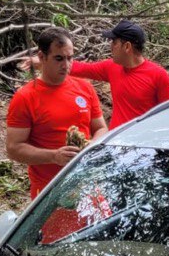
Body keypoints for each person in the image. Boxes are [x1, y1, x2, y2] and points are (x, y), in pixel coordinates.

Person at [6, 26, 107, 197]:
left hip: (87, 183)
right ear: (41, 57)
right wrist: (54, 156)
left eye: (70, 58)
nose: (66, 65)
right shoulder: (25, 97)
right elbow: (13, 148)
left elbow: (101, 128)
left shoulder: (85, 88)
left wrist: (92, 146)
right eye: (58, 58)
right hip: (49, 191)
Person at [68, 20, 169, 128]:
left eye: (114, 42)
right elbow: (81, 69)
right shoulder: (111, 67)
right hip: (115, 140)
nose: (111, 47)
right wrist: (56, 60)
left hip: (142, 141)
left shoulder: (158, 75)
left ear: (127, 46)